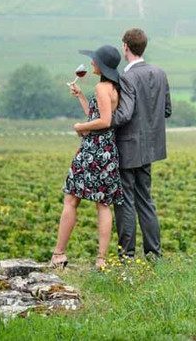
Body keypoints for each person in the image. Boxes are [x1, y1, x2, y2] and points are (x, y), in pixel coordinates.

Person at [51, 45, 125, 270]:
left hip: (93, 149)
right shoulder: (113, 87)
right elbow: (99, 115)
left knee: (71, 199)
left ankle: (59, 254)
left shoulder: (102, 87)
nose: (92, 63)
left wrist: (80, 126)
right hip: (108, 150)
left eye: (94, 60)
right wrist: (82, 97)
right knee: (103, 204)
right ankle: (101, 261)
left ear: (101, 64)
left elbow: (103, 121)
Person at [110, 28, 171, 259]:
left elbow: (124, 115)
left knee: (125, 201)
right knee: (145, 199)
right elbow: (166, 110)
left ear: (125, 46)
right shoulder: (160, 73)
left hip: (128, 147)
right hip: (150, 148)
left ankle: (126, 256)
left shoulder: (126, 77)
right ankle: (154, 253)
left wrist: (103, 122)